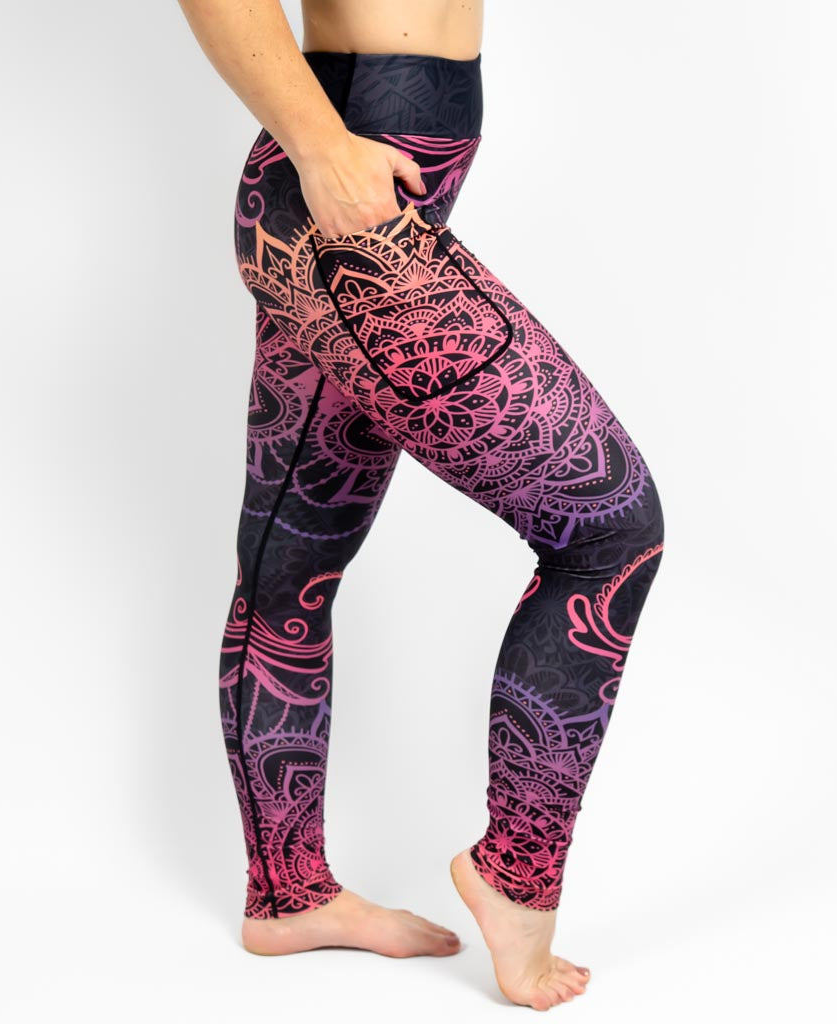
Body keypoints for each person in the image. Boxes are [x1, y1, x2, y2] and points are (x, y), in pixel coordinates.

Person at [176, 0, 665, 1011]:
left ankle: (288, 897)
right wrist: (321, 149)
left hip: (346, 201)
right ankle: (514, 877)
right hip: (345, 202)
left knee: (288, 573)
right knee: (609, 531)